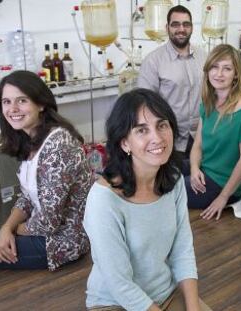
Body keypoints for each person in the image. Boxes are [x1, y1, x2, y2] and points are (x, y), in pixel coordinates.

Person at [0, 70, 92, 274]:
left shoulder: (58, 145)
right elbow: (27, 197)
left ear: (41, 104)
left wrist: (14, 232)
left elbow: (48, 221)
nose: (13, 109)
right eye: (6, 102)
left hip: (64, 242)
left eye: (22, 100)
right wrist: (6, 228)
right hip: (43, 234)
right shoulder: (31, 141)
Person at [84, 88, 202, 311]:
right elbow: (119, 283)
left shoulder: (174, 180)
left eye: (162, 125)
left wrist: (193, 307)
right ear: (124, 143)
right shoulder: (103, 200)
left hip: (165, 294)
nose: (156, 138)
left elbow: (182, 250)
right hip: (114, 303)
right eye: (141, 130)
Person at [184, 44, 241, 220]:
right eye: (215, 67)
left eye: (227, 69)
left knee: (169, 191)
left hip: (224, 182)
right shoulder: (208, 102)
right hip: (204, 169)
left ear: (236, 74)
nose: (219, 74)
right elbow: (198, 144)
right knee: (161, 172)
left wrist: (223, 197)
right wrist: (194, 168)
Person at [137, 5, 207, 158]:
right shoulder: (153, 61)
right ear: (167, 27)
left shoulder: (204, 57)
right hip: (170, 141)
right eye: (175, 24)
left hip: (201, 137)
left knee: (198, 180)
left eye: (186, 24)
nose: (181, 29)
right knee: (172, 181)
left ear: (192, 28)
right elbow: (144, 105)